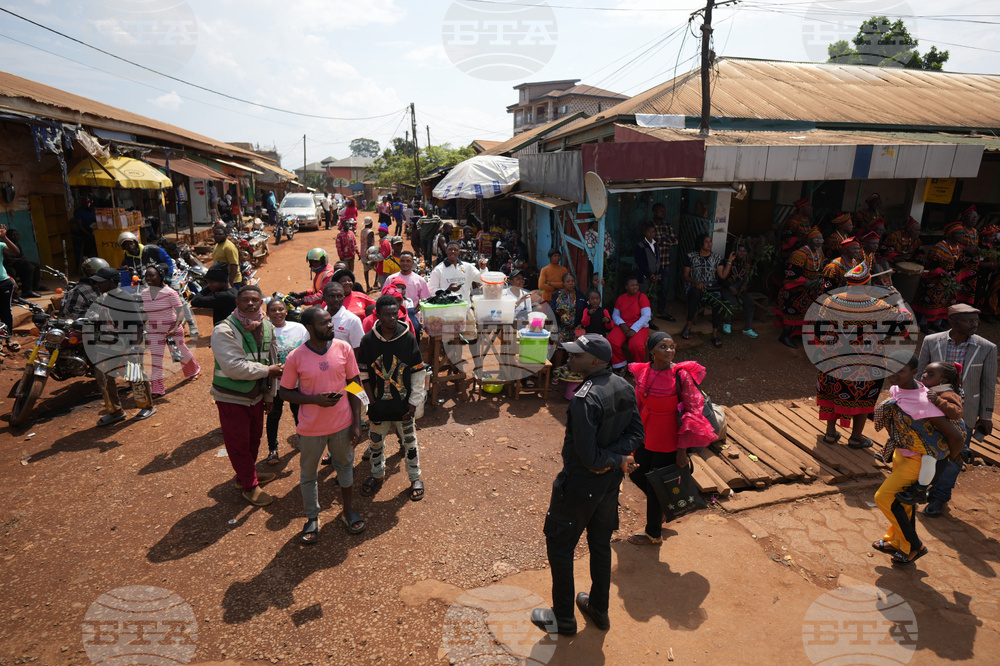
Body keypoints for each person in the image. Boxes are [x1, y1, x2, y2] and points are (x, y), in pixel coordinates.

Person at [530, 334, 642, 636]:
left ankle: (564, 617)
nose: (569, 358)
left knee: (560, 546)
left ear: (595, 362)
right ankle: (599, 609)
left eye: (576, 355)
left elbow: (591, 458)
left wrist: (612, 459)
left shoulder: (584, 399)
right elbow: (636, 433)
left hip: (581, 484)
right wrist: (618, 458)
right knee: (600, 543)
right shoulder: (624, 385)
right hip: (608, 485)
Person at [279, 306, 365, 542]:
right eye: (324, 323)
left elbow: (354, 385)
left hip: (343, 424)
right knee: (309, 475)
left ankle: (347, 511)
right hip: (310, 429)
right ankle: (312, 518)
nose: (330, 326)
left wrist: (357, 423)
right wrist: (313, 400)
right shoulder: (295, 357)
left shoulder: (343, 348)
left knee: (345, 468)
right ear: (309, 328)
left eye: (330, 322)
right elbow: (285, 392)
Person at [872, 355, 964, 565]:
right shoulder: (899, 387)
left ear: (913, 372)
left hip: (917, 461)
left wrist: (953, 457)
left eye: (900, 370)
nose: (893, 375)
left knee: (883, 498)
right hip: (901, 453)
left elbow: (956, 437)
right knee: (902, 502)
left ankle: (914, 545)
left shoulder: (925, 402)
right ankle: (897, 541)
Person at [626, 332, 716, 545]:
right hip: (647, 432)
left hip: (669, 437)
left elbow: (692, 412)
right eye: (663, 347)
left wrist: (682, 450)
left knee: (658, 482)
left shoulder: (681, 375)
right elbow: (639, 404)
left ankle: (653, 533)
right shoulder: (643, 371)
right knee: (638, 474)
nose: (669, 351)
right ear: (652, 351)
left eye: (672, 347)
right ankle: (661, 508)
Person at [815, 262, 911, 450]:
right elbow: (903, 326)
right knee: (864, 398)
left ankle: (830, 433)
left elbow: (819, 332)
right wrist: (898, 300)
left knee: (831, 393)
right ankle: (856, 438)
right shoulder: (878, 305)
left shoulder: (829, 301)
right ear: (867, 285)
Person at [917, 303, 997, 517]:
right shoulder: (931, 341)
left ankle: (939, 497)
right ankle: (921, 488)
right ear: (952, 321)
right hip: (932, 409)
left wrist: (986, 415)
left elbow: (989, 384)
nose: (975, 324)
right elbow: (919, 375)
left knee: (954, 457)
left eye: (976, 320)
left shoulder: (987, 347)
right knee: (928, 452)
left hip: (965, 414)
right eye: (969, 320)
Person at [212, 285, 282, 507]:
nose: (250, 304)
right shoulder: (224, 330)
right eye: (245, 300)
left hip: (257, 395)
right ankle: (249, 486)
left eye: (255, 300)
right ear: (237, 303)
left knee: (254, 439)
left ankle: (244, 475)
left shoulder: (268, 326)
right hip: (232, 397)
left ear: (262, 302)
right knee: (238, 444)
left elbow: (272, 361)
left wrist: (270, 395)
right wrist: (267, 372)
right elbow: (233, 367)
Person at [357, 295, 427, 502]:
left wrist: (414, 403)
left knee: (409, 442)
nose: (392, 318)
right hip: (378, 405)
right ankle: (377, 474)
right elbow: (363, 376)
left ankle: (415, 477)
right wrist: (370, 404)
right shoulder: (368, 340)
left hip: (403, 405)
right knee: (375, 442)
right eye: (386, 314)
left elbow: (418, 373)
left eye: (394, 313)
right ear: (377, 315)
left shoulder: (408, 339)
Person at [891, 361, 965, 504]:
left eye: (930, 374)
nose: (924, 375)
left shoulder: (947, 393)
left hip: (944, 436)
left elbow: (957, 413)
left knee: (929, 458)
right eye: (925, 371)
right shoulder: (928, 388)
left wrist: (938, 401)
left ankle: (920, 490)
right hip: (932, 433)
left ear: (943, 380)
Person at [93, 271, 156, 425]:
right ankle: (115, 411)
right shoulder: (104, 298)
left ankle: (146, 406)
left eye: (102, 281)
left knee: (134, 375)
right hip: (108, 343)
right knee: (103, 376)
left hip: (128, 343)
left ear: (113, 281)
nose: (98, 284)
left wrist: (134, 347)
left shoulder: (124, 299)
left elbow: (138, 325)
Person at [140, 264, 200, 397]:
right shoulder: (144, 294)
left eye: (152, 275)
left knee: (180, 353)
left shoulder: (170, 293)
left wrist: (174, 328)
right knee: (156, 359)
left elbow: (180, 312)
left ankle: (194, 371)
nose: (148, 278)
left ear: (160, 277)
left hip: (172, 329)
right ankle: (157, 389)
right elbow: (146, 313)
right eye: (146, 276)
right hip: (155, 330)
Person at [264, 297, 307, 465]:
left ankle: (304, 442)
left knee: (300, 414)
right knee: (274, 415)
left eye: (280, 309)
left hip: (297, 383)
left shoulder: (299, 328)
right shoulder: (263, 331)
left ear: (286, 311)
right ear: (267, 314)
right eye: (273, 310)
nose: (277, 313)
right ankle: (272, 449)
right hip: (275, 384)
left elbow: (307, 350)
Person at [680, 233, 734, 348]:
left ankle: (714, 333)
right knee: (695, 293)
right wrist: (696, 282)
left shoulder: (717, 258)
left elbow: (723, 275)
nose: (709, 244)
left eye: (710, 241)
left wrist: (729, 261)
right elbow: (685, 276)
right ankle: (688, 325)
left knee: (718, 300)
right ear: (700, 244)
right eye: (706, 242)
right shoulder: (691, 256)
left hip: (711, 289)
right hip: (694, 287)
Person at [775, 227, 826, 349]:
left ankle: (797, 333)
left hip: (811, 290)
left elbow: (821, 267)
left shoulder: (819, 252)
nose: (819, 242)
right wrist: (806, 282)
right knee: (791, 313)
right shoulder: (799, 254)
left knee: (807, 313)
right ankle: (785, 336)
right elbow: (792, 273)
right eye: (816, 239)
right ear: (809, 240)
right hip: (795, 290)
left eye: (821, 239)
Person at [913, 222, 965, 333]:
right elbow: (930, 266)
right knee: (930, 300)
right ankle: (923, 323)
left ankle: (937, 323)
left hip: (949, 279)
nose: (962, 236)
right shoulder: (939, 248)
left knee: (947, 300)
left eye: (962, 233)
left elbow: (958, 263)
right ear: (950, 235)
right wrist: (942, 273)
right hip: (935, 279)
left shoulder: (959, 248)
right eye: (959, 233)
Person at [608, 277, 651, 373]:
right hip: (624, 325)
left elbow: (646, 316)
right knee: (611, 341)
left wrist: (634, 329)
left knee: (636, 345)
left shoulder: (642, 297)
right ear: (626, 287)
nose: (635, 287)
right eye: (632, 285)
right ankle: (621, 364)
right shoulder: (621, 298)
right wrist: (622, 325)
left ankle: (639, 368)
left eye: (636, 285)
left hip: (640, 326)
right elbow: (615, 315)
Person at [387, 250, 431, 337]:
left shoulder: (419, 280)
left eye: (408, 261)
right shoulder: (391, 279)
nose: (405, 263)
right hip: (393, 316)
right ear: (399, 262)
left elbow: (424, 301)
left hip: (413, 315)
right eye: (402, 261)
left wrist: (412, 313)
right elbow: (384, 298)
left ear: (412, 263)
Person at [550, 273, 586, 371]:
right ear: (563, 284)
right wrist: (558, 314)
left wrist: (580, 324)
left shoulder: (580, 295)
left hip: (575, 328)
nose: (571, 284)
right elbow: (551, 310)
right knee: (559, 346)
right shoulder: (557, 295)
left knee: (576, 349)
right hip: (560, 327)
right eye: (568, 282)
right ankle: (557, 371)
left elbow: (585, 311)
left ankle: (574, 371)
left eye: (573, 281)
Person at [720, 243, 757, 338]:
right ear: (735, 251)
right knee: (733, 303)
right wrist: (730, 287)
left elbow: (748, 280)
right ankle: (727, 324)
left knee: (750, 304)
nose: (742, 253)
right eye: (740, 250)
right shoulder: (726, 262)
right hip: (726, 289)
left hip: (739, 290)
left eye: (744, 251)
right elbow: (721, 278)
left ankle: (747, 329)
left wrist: (746, 286)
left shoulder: (746, 265)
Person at [649, 203, 678, 318]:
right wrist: (665, 240)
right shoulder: (649, 225)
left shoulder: (667, 225)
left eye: (664, 210)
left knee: (664, 289)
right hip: (652, 264)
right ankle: (649, 314)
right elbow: (651, 241)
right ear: (654, 212)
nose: (663, 213)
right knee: (651, 289)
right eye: (661, 211)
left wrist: (661, 241)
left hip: (665, 263)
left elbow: (675, 240)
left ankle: (660, 311)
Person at [323, 281, 365, 352]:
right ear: (324, 298)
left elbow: (358, 348)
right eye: (331, 296)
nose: (336, 299)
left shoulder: (352, 320)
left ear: (343, 298)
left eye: (339, 296)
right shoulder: (317, 317)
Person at [0, 225, 23, 341]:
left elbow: (16, 252)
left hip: (3, 282)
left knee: (5, 311)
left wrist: (4, 238)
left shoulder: (0, 245)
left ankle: (8, 337)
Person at [2, 229, 40, 297]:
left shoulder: (17, 245)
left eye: (17, 235)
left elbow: (20, 256)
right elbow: (6, 260)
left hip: (15, 264)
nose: (16, 237)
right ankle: (14, 294)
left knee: (30, 266)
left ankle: (28, 290)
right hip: (5, 266)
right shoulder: (3, 245)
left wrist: (23, 260)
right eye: (13, 235)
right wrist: (16, 260)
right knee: (11, 271)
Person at [634, 222, 660, 297]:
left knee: (652, 296)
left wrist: (658, 274)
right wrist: (649, 274)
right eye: (649, 231)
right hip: (644, 277)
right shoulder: (640, 246)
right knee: (642, 296)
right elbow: (639, 262)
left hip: (654, 277)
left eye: (653, 232)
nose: (651, 234)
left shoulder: (656, 245)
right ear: (645, 233)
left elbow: (658, 261)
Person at [71, 196, 98, 263]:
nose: (91, 208)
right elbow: (80, 226)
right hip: (85, 231)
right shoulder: (79, 212)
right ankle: (87, 258)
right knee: (88, 242)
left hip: (94, 229)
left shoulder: (93, 210)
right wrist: (89, 234)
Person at [359, 217, 376, 292]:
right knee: (377, 267)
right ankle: (375, 283)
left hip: (362, 252)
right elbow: (369, 243)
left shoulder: (362, 230)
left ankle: (368, 286)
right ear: (370, 223)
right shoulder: (370, 232)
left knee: (366, 269)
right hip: (369, 253)